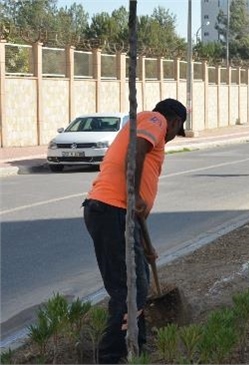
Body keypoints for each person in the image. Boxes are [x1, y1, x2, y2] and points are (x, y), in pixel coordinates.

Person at [82, 98, 187, 364]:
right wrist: (137, 193)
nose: (173, 137)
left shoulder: (146, 123)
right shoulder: (156, 120)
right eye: (178, 131)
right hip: (112, 211)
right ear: (175, 121)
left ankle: (135, 346)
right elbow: (136, 150)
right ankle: (110, 356)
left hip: (119, 214)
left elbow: (135, 209)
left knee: (137, 285)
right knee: (128, 290)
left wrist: (146, 247)